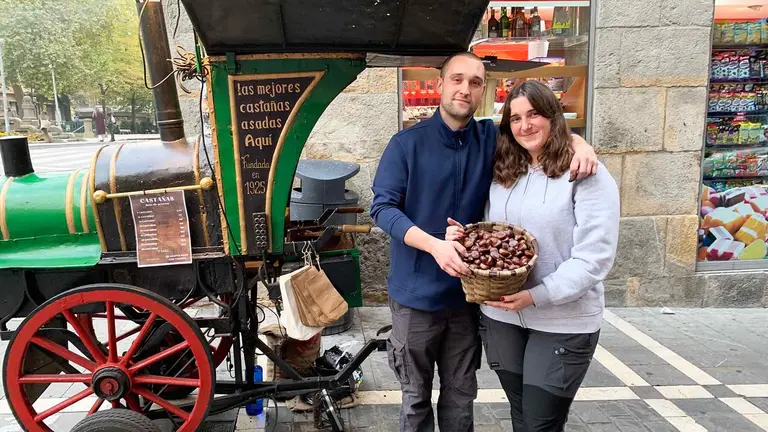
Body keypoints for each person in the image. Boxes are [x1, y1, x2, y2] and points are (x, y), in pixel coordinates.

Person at [369, 52, 598, 432]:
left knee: (461, 397)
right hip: (416, 298)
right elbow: (382, 208)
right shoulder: (406, 144)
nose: (465, 89)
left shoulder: (492, 139)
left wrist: (579, 143)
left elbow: (538, 135)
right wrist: (434, 245)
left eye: (475, 82)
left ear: (483, 92)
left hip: (469, 298)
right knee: (414, 400)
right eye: (457, 79)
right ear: (440, 84)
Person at [446, 80, 620, 431]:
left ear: (553, 116)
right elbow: (492, 236)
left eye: (535, 114)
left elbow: (595, 258)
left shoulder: (586, 174)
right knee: (522, 416)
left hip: (563, 321)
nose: (525, 125)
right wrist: (459, 236)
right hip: (504, 319)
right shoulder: (504, 173)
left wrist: (535, 296)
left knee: (541, 423)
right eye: (515, 118)